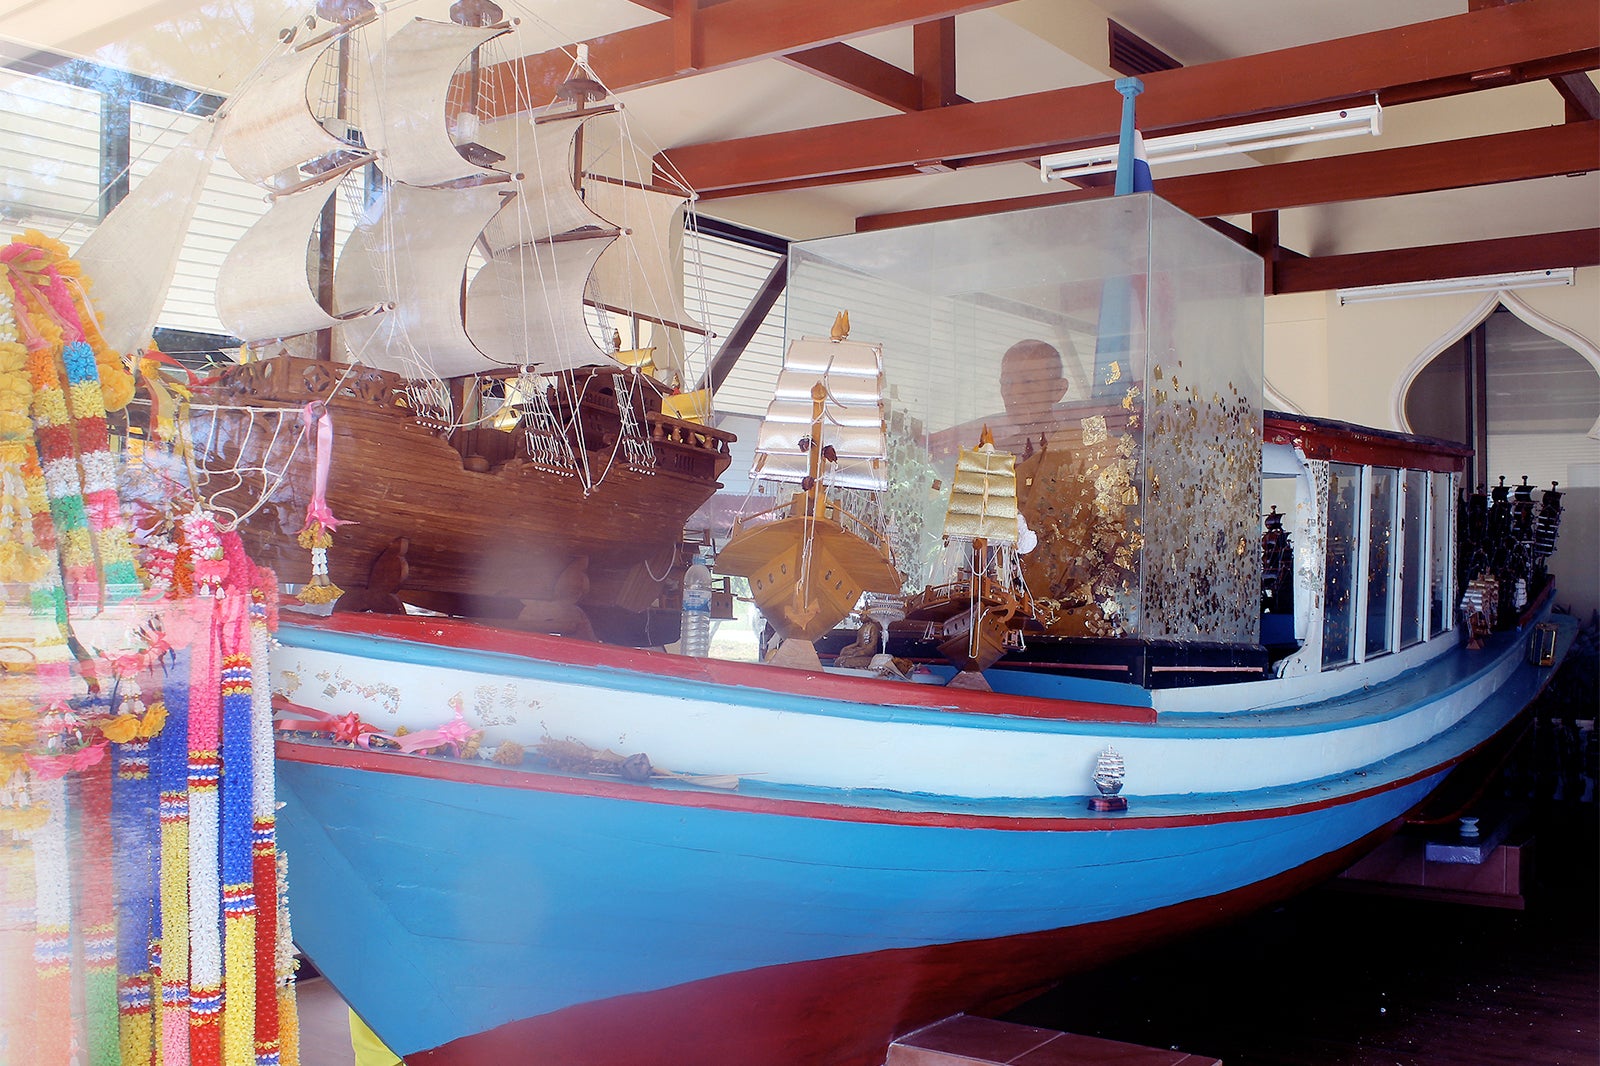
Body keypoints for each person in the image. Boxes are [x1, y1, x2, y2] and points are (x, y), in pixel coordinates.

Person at [994, 339, 1069, 453]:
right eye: (1007, 382)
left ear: (1058, 390)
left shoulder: (1078, 450)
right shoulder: (994, 455)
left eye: (1028, 381)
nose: (1014, 392)